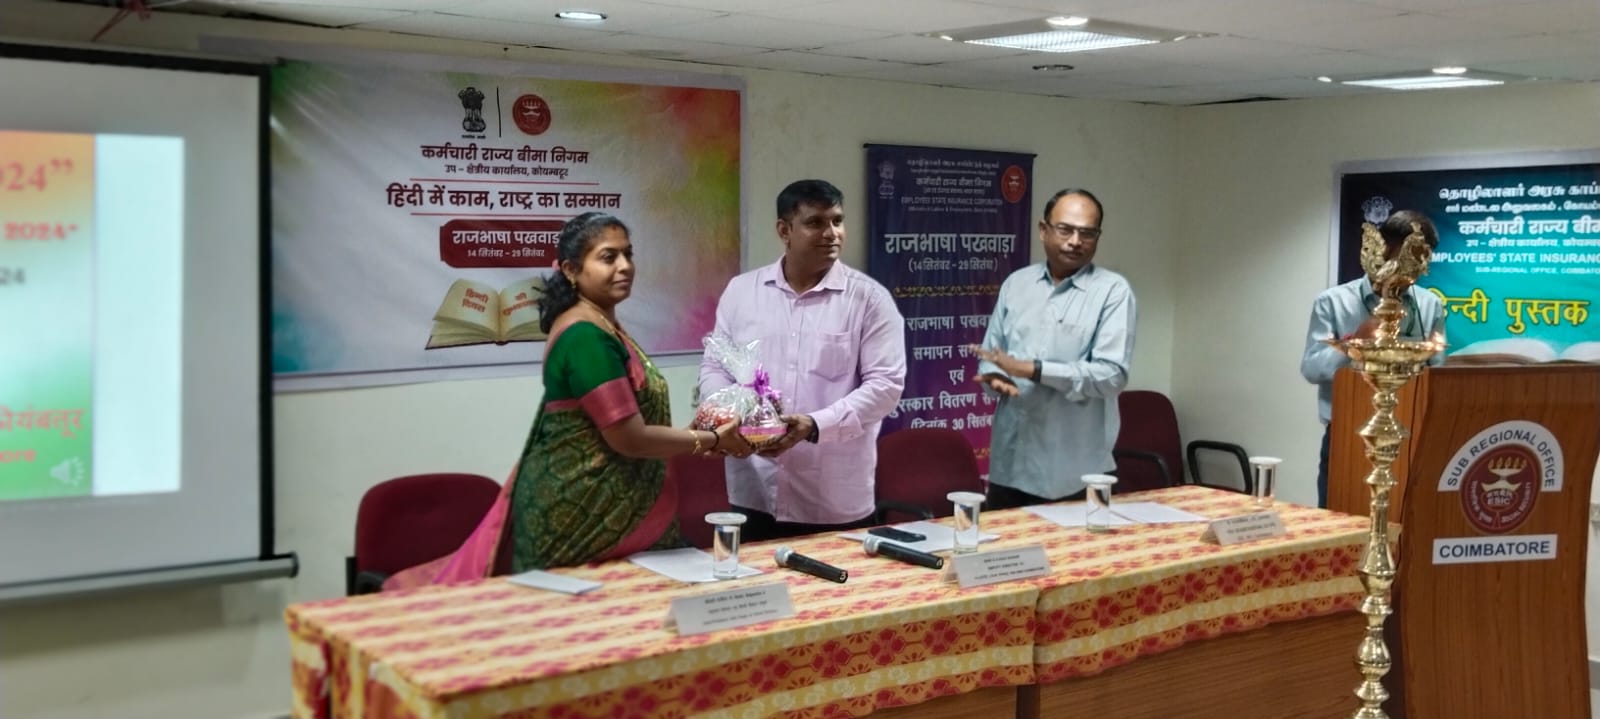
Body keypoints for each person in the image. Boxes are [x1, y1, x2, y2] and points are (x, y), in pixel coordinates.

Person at [385, 213, 751, 588]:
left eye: (628, 254)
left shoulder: (603, 326)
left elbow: (628, 424)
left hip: (608, 512)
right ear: (571, 270)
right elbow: (628, 438)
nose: (625, 266)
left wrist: (694, 432)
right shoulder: (585, 336)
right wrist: (709, 440)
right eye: (608, 257)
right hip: (580, 516)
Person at [699, 179, 906, 541]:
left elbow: (886, 385)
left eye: (837, 221)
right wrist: (730, 415)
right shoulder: (742, 292)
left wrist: (813, 425)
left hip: (833, 497)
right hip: (754, 489)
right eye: (815, 223)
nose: (831, 233)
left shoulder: (870, 300)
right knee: (753, 579)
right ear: (784, 231)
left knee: (837, 580)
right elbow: (716, 366)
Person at [972, 188, 1136, 509]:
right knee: (1004, 544)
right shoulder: (1016, 284)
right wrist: (993, 378)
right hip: (1011, 466)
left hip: (1076, 474)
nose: (1075, 241)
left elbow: (1111, 376)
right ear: (1043, 230)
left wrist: (1036, 370)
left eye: (1087, 233)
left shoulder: (1113, 291)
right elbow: (992, 356)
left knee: (1078, 545)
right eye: (1065, 229)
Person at [1300, 209, 1446, 508]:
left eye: (1424, 260)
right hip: (1348, 436)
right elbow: (1312, 368)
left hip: (1411, 434)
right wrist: (1354, 343)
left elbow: (1437, 371)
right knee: (1341, 521)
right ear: (1385, 249)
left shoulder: (1430, 304)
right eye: (1410, 256)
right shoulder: (1334, 302)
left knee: (1403, 522)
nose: (1416, 269)